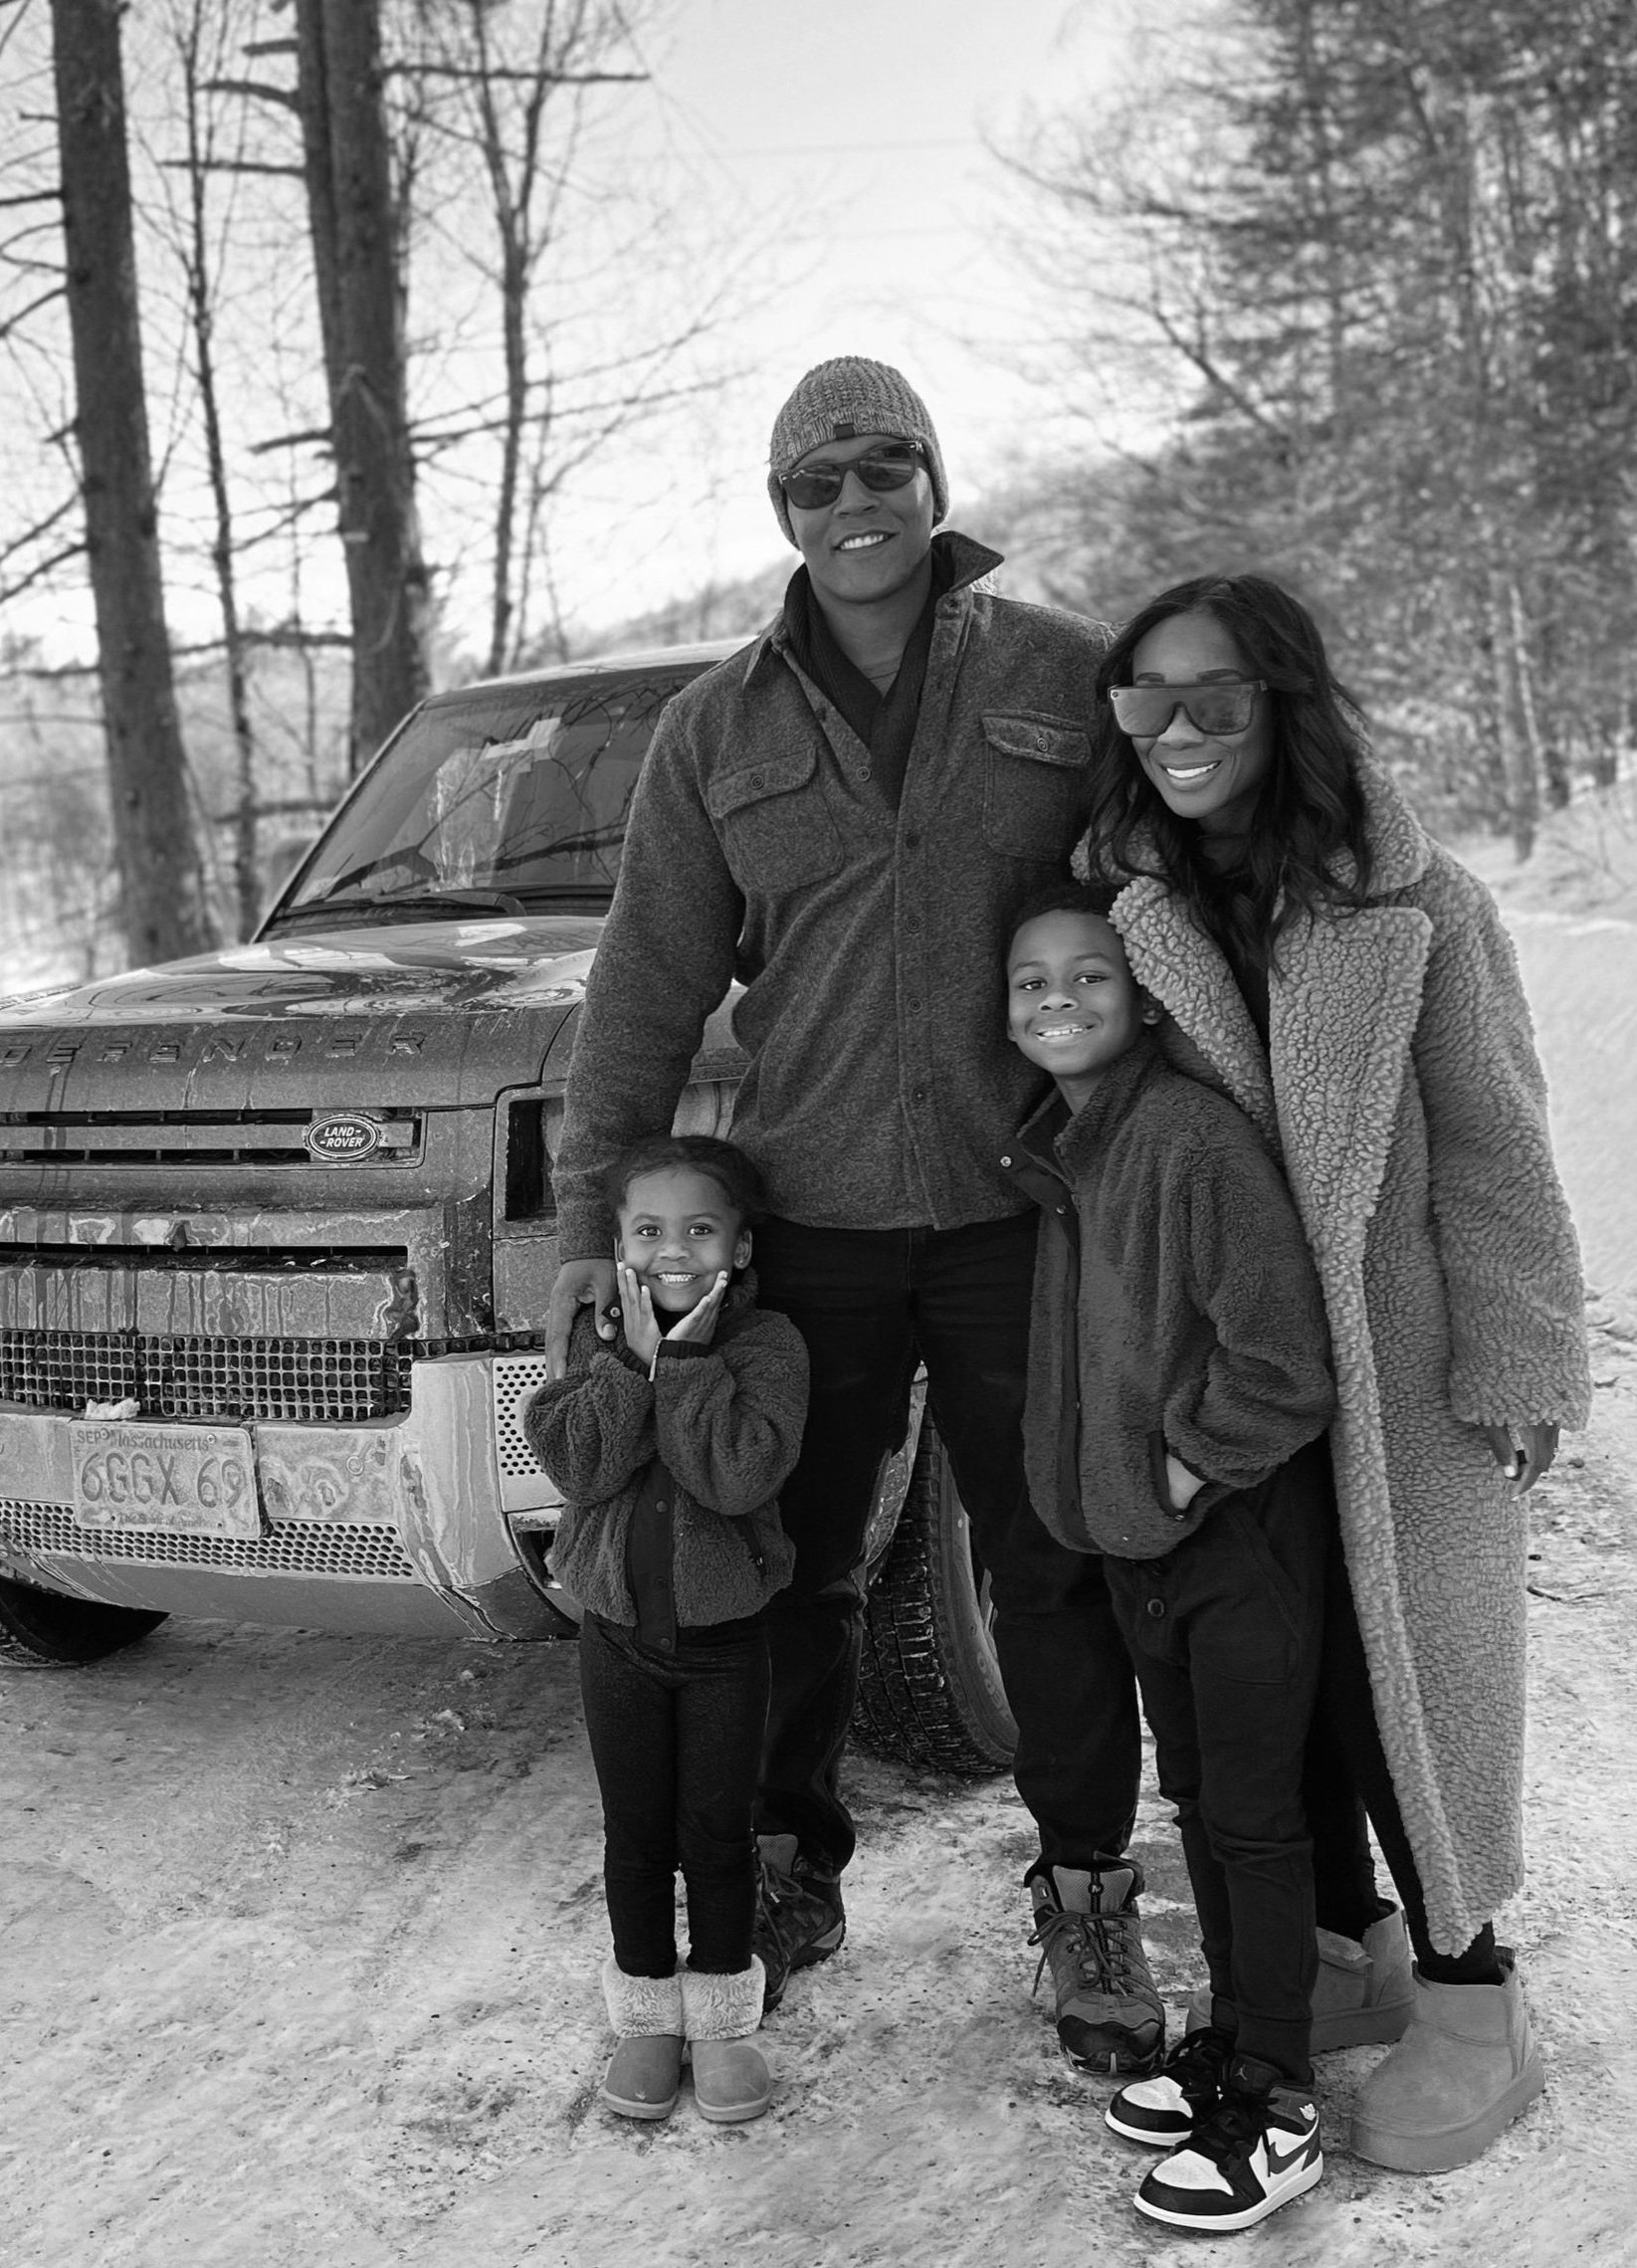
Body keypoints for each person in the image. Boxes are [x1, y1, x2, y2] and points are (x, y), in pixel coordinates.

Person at [544, 356, 1161, 2068]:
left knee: (1049, 1558)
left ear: (932, 480)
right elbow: (643, 986)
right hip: (808, 1220)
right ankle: (783, 1861)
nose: (853, 502)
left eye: (884, 464)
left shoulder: (1054, 671)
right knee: (788, 1563)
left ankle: (1086, 1890)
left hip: (1014, 1207)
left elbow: (1158, 908)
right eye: (815, 482)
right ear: (782, 513)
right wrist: (592, 1221)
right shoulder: (715, 729)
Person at [1083, 573, 1591, 2173]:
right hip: (1241, 1363)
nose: (1176, 730)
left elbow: (1496, 1139)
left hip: (1400, 1365)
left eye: (1215, 696)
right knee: (1281, 1672)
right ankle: (1338, 1946)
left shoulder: (1416, 903)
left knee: (1410, 1691)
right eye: (1145, 697)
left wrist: (1519, 1352)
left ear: (1284, 702)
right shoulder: (1130, 901)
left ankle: (1473, 1998)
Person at [999, 880, 1338, 2232]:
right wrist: (1117, 1501)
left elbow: (1282, 1358)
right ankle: (1230, 2041)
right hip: (1138, 1546)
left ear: (1143, 996)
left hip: (1230, 1538)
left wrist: (1181, 1471)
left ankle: (1279, 2099)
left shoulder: (1188, 1138)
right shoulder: (1067, 1148)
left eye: (1088, 973)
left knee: (1252, 1816)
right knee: (1196, 1800)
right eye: (1029, 980)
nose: (1057, 998)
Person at [523, 1134, 808, 2126]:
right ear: (618, 1243)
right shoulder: (596, 1339)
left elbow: (735, 1475)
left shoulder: (767, 1346)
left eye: (699, 1228)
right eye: (647, 1230)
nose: (672, 1249)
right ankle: (645, 2012)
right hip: (617, 1639)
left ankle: (721, 2019)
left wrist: (680, 1363)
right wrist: (633, 1366)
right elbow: (578, 1466)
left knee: (716, 1833)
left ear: (738, 1244)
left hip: (724, 1646)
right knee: (636, 1834)